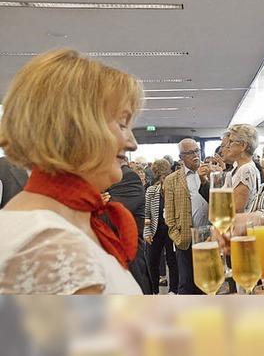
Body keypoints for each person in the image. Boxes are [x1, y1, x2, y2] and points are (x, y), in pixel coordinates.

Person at [0, 48, 142, 294]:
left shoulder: (55, 223)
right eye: (122, 124)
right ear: (77, 128)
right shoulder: (48, 242)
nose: (132, 143)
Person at [164, 138, 207, 294]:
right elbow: (169, 213)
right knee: (186, 284)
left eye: (197, 151)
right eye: (190, 153)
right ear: (181, 157)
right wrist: (176, 235)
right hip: (185, 238)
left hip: (208, 237)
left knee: (208, 283)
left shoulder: (209, 173)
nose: (195, 155)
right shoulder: (171, 180)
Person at [107, 156, 153, 294]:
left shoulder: (128, 177)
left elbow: (107, 218)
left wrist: (93, 202)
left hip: (128, 266)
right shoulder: (105, 181)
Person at [198, 125, 261, 213]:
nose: (228, 146)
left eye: (231, 141)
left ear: (243, 145)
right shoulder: (238, 168)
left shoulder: (246, 169)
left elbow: (235, 209)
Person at [143, 158, 179, 295]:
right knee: (152, 261)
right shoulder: (151, 190)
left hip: (170, 230)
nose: (165, 179)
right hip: (155, 230)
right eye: (163, 177)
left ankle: (173, 291)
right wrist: (147, 232)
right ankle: (154, 291)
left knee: (172, 261)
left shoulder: (174, 190)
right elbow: (147, 213)